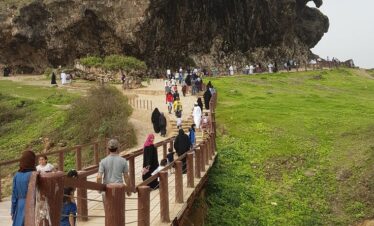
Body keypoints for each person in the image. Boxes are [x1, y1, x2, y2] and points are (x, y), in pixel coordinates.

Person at [11, 150, 36, 226]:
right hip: (31, 206)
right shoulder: (33, 175)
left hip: (19, 206)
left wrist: (13, 210)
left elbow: (14, 195)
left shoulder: (16, 175)